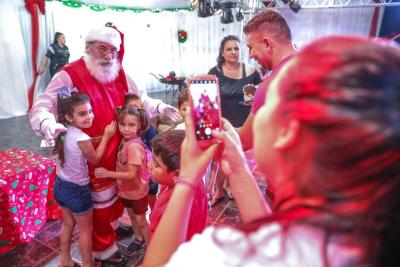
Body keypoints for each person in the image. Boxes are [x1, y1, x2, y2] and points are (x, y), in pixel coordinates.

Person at [142, 36, 400, 266]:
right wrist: (239, 170)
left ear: (288, 132)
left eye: (264, 106)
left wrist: (187, 180)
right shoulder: (359, 236)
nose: (256, 112)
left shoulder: (227, 254)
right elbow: (274, 240)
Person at [29, 25, 179, 265]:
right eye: (102, 49)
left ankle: (112, 229)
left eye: (113, 51)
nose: (109, 56)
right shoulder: (70, 74)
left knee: (114, 202)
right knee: (98, 209)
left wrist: (160, 108)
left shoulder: (119, 72)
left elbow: (140, 99)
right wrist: (47, 123)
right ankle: (103, 249)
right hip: (90, 155)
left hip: (119, 150)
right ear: (88, 48)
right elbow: (43, 105)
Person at [53, 91, 116, 267]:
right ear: (68, 117)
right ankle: (88, 264)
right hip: (76, 190)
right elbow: (95, 159)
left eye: (90, 111)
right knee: (86, 230)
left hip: (60, 185)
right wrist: (107, 137)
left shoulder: (63, 131)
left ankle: (65, 260)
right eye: (82, 114)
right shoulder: (82, 138)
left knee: (67, 224)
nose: (89, 116)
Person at [94, 105, 151, 256]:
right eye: (122, 124)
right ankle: (139, 239)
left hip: (136, 191)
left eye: (131, 125)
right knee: (132, 215)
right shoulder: (125, 140)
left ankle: (151, 247)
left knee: (141, 220)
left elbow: (132, 174)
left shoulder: (133, 147)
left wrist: (108, 173)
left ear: (139, 125)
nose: (126, 129)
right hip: (126, 190)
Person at [237, 8, 297, 151]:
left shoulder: (272, 87)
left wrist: (217, 128)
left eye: (251, 47)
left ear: (266, 44)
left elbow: (244, 141)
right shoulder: (314, 63)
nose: (250, 55)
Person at [148, 130, 208, 241]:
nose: (149, 165)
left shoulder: (173, 211)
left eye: (156, 164)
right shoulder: (191, 178)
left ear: (177, 173)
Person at [208, 35, 262, 128]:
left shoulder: (252, 72)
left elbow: (260, 101)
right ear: (222, 53)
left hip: (248, 126)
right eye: (229, 49)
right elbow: (208, 103)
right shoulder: (213, 73)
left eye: (236, 49)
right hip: (224, 126)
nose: (233, 52)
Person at [124, 93, 159, 210]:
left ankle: (155, 214)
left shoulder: (148, 128)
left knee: (151, 195)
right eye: (135, 108)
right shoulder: (125, 130)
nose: (139, 111)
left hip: (148, 171)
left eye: (141, 108)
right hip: (134, 175)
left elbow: (156, 148)